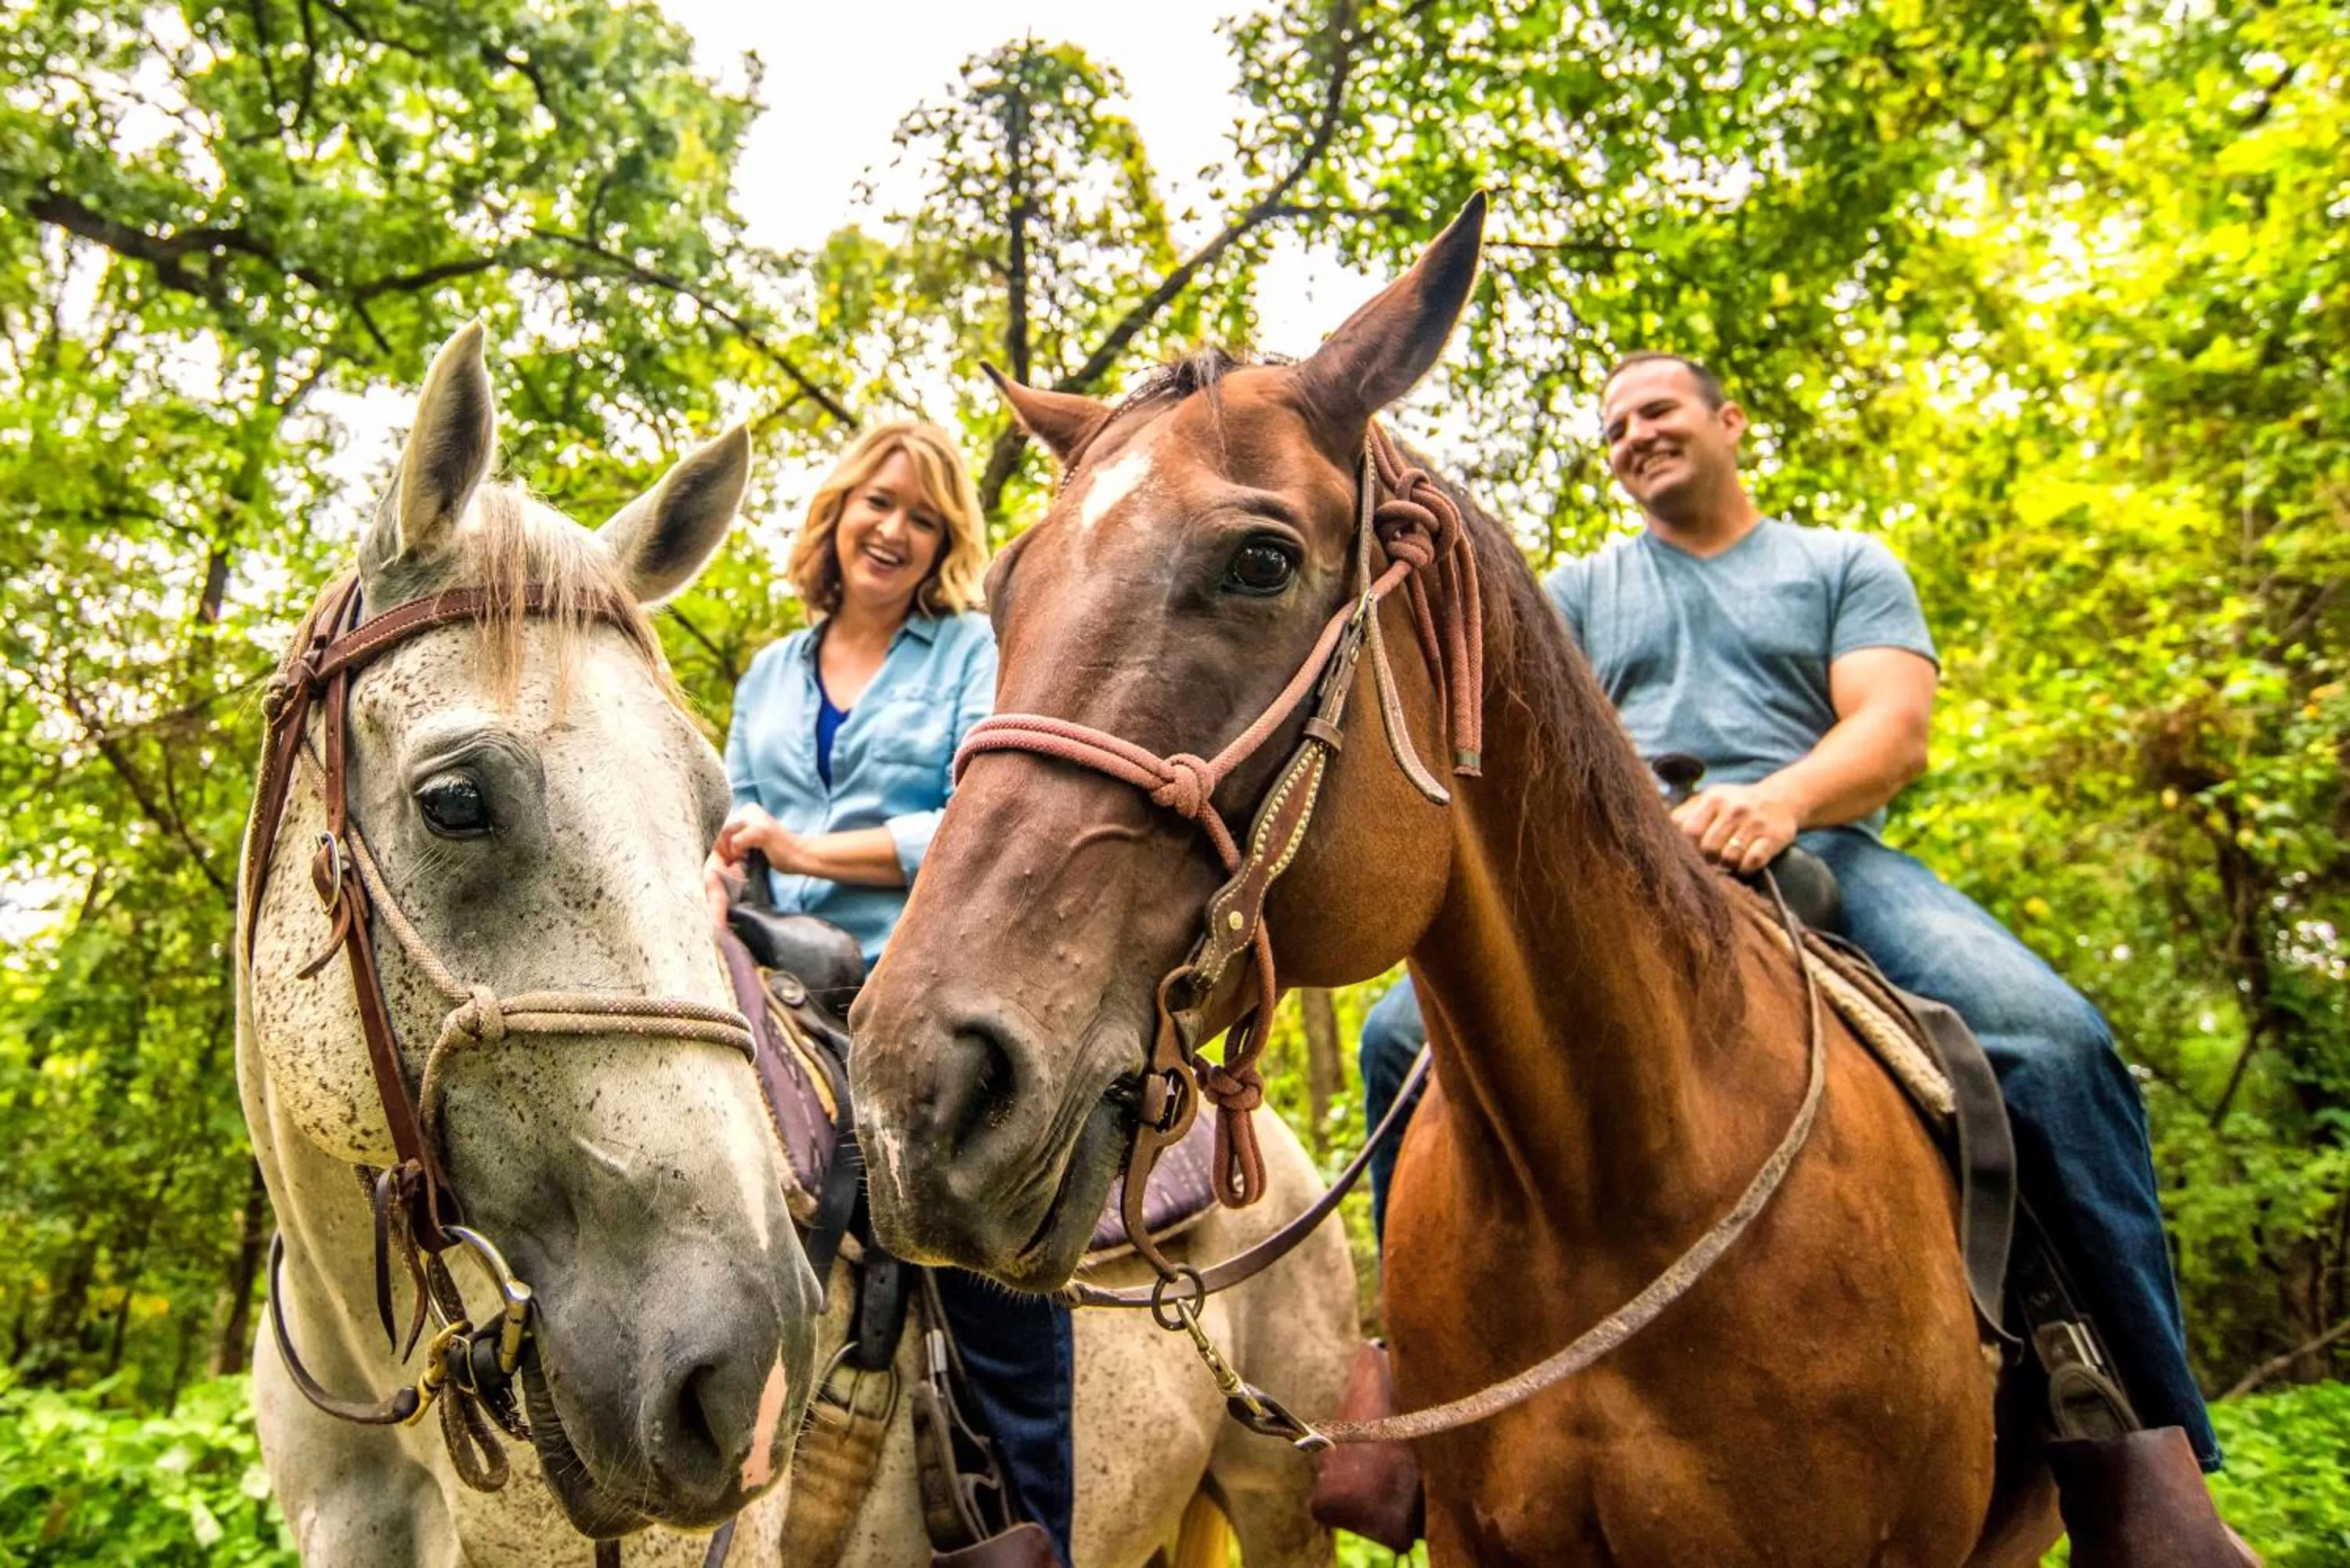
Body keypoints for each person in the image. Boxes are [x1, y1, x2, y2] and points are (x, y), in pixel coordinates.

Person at [1357, 352, 2222, 1479]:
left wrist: (1782, 799)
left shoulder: (1840, 565)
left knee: (2053, 1042)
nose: (1634, 436)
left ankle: (2149, 1455)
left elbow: (1892, 729)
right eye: (1615, 426)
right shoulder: (1579, 593)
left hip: (1823, 849)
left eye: (1656, 410)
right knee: (1392, 1038)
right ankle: (1418, 1405)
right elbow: (1534, 751)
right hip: (1626, 873)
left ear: (1729, 420)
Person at [703, 422, 1076, 1565]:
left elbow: (976, 812)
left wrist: (810, 851)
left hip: (926, 974)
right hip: (776, 980)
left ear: (943, 541)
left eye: (922, 515)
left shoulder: (969, 650)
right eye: (878, 503)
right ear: (838, 514)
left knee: (984, 1226)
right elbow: (739, 814)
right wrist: (720, 870)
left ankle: (1030, 1520)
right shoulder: (772, 667)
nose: (895, 529)